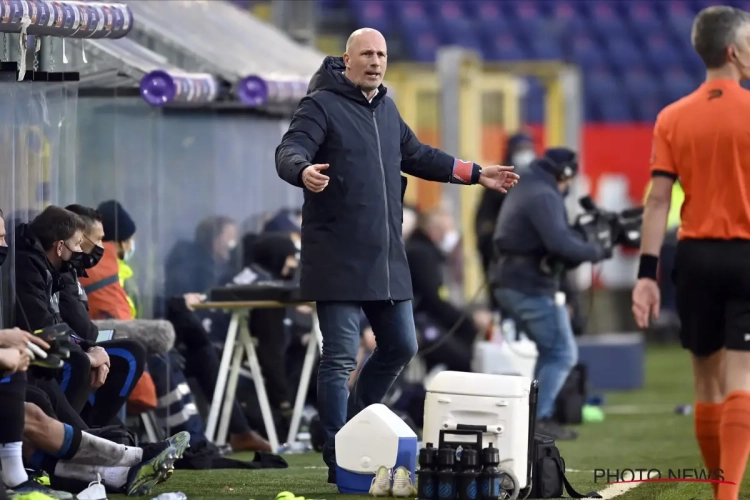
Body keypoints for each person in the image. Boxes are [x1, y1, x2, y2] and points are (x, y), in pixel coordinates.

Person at [275, 27, 519, 481]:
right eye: (366, 54)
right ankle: (337, 454)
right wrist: (302, 170)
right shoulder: (319, 105)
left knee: (403, 345)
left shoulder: (386, 107)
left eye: (381, 54)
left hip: (386, 255)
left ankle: (353, 427)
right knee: (341, 358)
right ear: (346, 61)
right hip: (337, 257)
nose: (375, 61)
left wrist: (476, 172)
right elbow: (289, 149)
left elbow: (419, 155)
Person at [631, 7, 750, 500]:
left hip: (694, 257)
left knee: (706, 383)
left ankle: (720, 489)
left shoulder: (672, 117)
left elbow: (658, 201)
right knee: (742, 375)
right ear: (733, 51)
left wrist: (645, 275)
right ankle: (727, 496)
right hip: (746, 256)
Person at [492, 148, 609, 440]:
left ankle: (535, 419)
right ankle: (540, 419)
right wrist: (596, 249)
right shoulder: (544, 195)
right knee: (562, 352)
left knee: (550, 351)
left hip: (514, 282)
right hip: (528, 285)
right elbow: (560, 244)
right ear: (565, 174)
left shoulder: (531, 186)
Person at [13, 207, 113, 416]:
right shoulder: (28, 265)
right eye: (77, 244)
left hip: (37, 352)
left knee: (88, 357)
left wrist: (89, 347)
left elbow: (60, 326)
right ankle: (75, 442)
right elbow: (44, 328)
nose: (81, 250)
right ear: (60, 247)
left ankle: (104, 438)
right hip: (30, 357)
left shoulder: (51, 269)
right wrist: (88, 353)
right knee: (78, 362)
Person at [57, 204, 147, 427]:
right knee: (131, 354)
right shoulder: (63, 274)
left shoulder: (73, 272)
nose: (101, 248)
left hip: (77, 346)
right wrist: (95, 347)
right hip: (63, 353)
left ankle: (102, 435)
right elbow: (82, 328)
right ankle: (94, 434)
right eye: (97, 240)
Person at [406, 207, 489, 372]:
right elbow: (435, 299)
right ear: (434, 230)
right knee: (465, 360)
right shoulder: (421, 254)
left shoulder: (425, 252)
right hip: (419, 322)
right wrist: (468, 319)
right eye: (446, 231)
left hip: (425, 318)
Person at [474, 131, 536, 305]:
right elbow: (483, 221)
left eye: (528, 148)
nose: (525, 153)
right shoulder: (499, 180)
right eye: (520, 149)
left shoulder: (537, 179)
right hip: (502, 254)